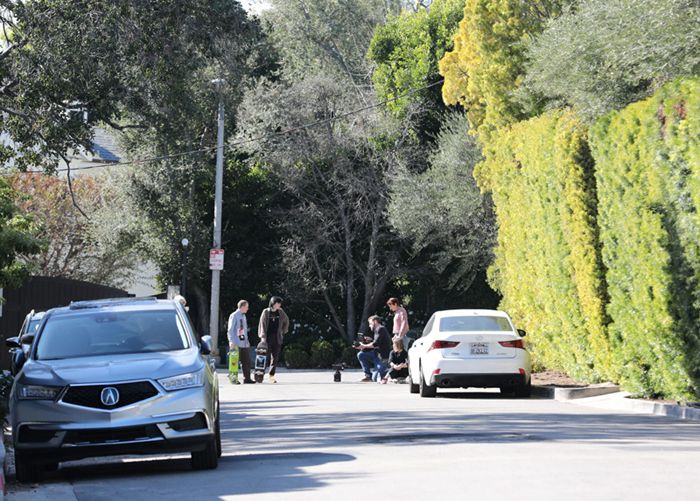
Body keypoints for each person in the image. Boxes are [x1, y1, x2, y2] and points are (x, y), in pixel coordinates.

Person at [258, 296, 289, 383]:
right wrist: (262, 337)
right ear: (273, 303)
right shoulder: (266, 312)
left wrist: (283, 331)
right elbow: (262, 324)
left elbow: (287, 321)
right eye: (278, 303)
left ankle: (272, 376)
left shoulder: (281, 312)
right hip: (267, 338)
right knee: (264, 357)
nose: (280, 305)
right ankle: (260, 375)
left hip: (277, 338)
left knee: (275, 358)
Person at [356, 315, 391, 382]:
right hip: (376, 354)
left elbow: (375, 344)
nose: (369, 325)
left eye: (370, 323)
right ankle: (368, 375)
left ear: (375, 321)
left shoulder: (381, 329)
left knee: (376, 378)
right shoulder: (377, 330)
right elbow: (378, 343)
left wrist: (363, 346)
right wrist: (370, 340)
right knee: (361, 354)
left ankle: (387, 373)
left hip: (382, 357)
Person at [227, 300, 253, 384]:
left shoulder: (243, 316)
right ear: (242, 307)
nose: (248, 309)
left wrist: (247, 341)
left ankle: (247, 378)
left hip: (244, 342)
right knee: (234, 362)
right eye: (247, 307)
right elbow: (230, 330)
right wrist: (231, 341)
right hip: (236, 343)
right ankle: (233, 379)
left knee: (246, 361)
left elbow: (243, 330)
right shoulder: (234, 315)